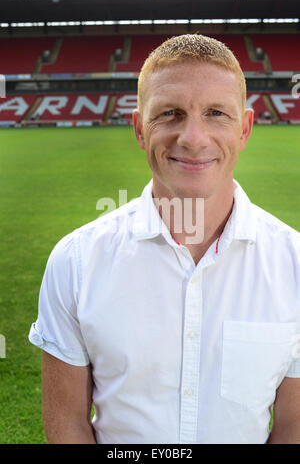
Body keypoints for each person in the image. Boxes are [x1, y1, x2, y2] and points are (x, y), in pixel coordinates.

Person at [29, 34, 300, 444]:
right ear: (140, 129)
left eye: (215, 113)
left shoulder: (294, 263)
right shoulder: (77, 261)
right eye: (170, 113)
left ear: (244, 129)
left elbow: (293, 425)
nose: (192, 137)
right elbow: (67, 423)